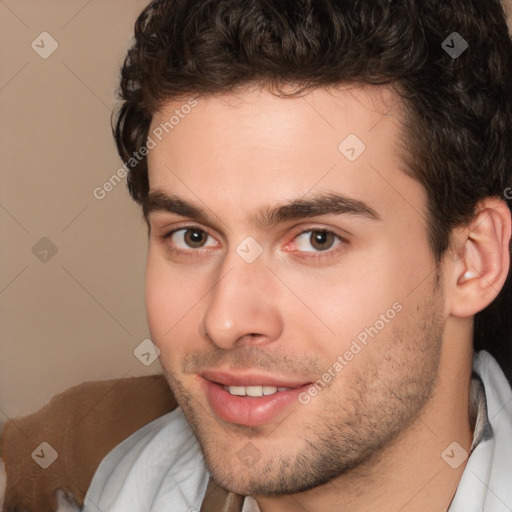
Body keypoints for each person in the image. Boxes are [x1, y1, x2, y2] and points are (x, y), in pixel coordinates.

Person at [82, 0, 512, 510]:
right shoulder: (129, 488)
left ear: (472, 261)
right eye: (192, 236)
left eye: (316, 240)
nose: (225, 321)